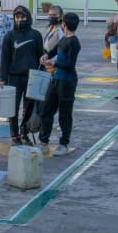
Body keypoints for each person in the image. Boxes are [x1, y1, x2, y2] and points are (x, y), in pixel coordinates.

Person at [0, 6, 45, 145]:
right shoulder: (9, 36)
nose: (19, 20)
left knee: (29, 108)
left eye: (22, 17)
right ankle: (14, 136)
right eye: (17, 17)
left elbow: (40, 56)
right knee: (13, 108)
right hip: (14, 78)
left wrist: (42, 74)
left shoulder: (36, 35)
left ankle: (25, 133)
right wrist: (2, 78)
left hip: (31, 77)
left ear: (28, 18)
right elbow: (4, 59)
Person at [38, 12, 81, 156]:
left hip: (67, 82)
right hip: (56, 79)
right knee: (46, 109)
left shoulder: (74, 42)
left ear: (64, 24)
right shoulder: (64, 39)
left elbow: (70, 64)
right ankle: (44, 141)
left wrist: (54, 63)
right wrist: (46, 56)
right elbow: (54, 50)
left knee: (64, 114)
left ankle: (64, 143)